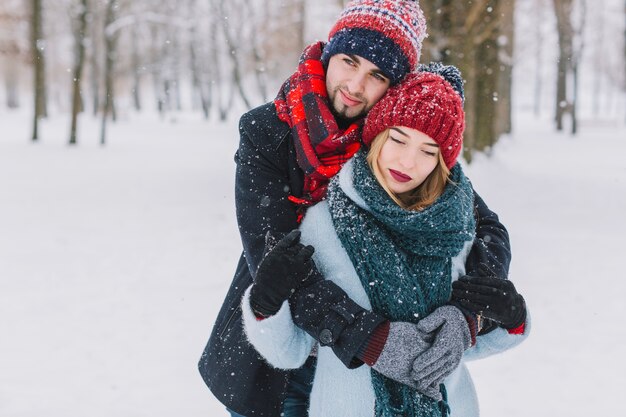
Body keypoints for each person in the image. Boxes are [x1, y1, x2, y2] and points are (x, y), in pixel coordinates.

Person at [198, 1, 521, 416]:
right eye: (349, 61)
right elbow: (274, 255)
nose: (354, 85)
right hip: (277, 353)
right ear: (329, 52)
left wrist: (469, 312)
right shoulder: (267, 132)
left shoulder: (395, 138)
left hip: (356, 379)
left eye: (377, 75)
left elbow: (483, 227)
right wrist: (370, 338)